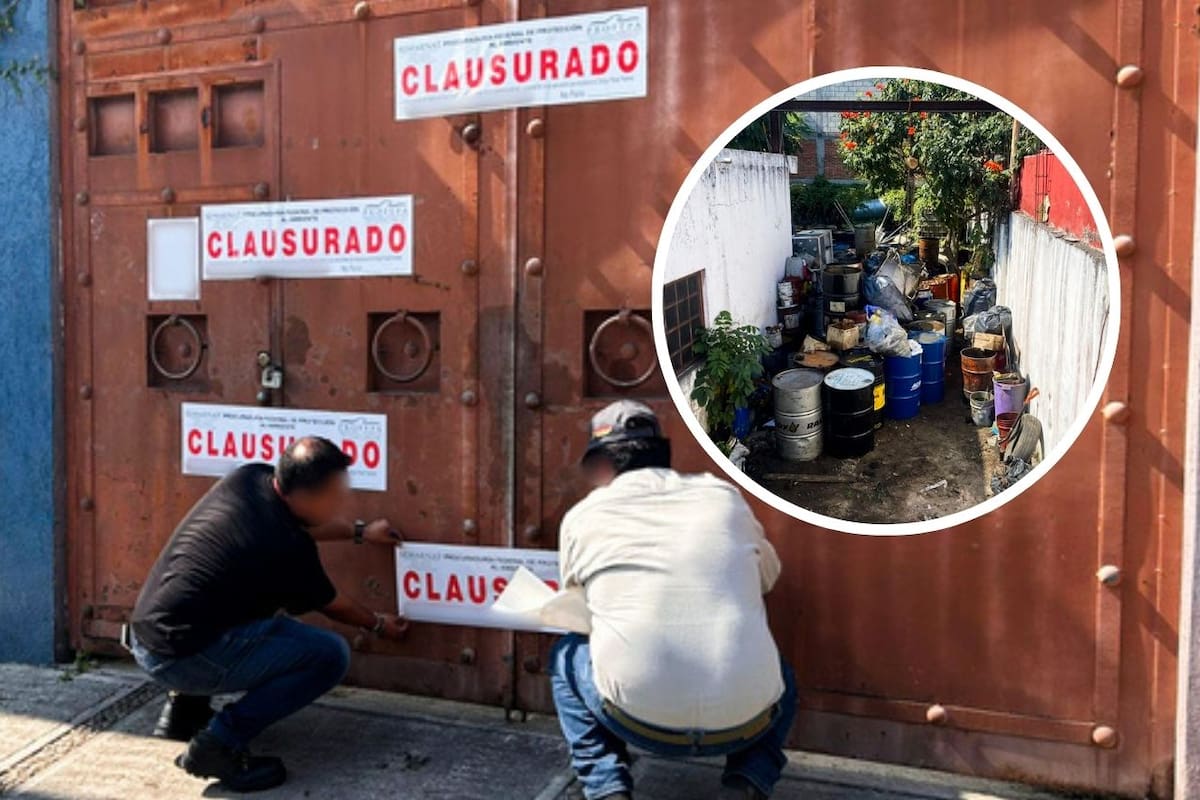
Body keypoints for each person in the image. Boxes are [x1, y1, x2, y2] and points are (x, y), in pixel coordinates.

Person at [129, 436, 409, 793]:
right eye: (336, 496)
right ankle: (219, 745)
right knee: (328, 655)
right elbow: (333, 602)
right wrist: (379, 623)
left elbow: (302, 522)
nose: (343, 502)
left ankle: (184, 712)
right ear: (308, 495)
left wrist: (359, 532)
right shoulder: (286, 548)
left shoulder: (250, 478)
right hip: (181, 659)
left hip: (151, 637)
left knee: (233, 597)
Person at [550, 401, 796, 800]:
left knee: (565, 656)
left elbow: (578, 615)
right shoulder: (723, 497)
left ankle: (607, 787)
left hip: (637, 720)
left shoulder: (583, 516)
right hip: (745, 720)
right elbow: (767, 578)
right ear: (662, 454)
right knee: (781, 674)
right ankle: (748, 780)